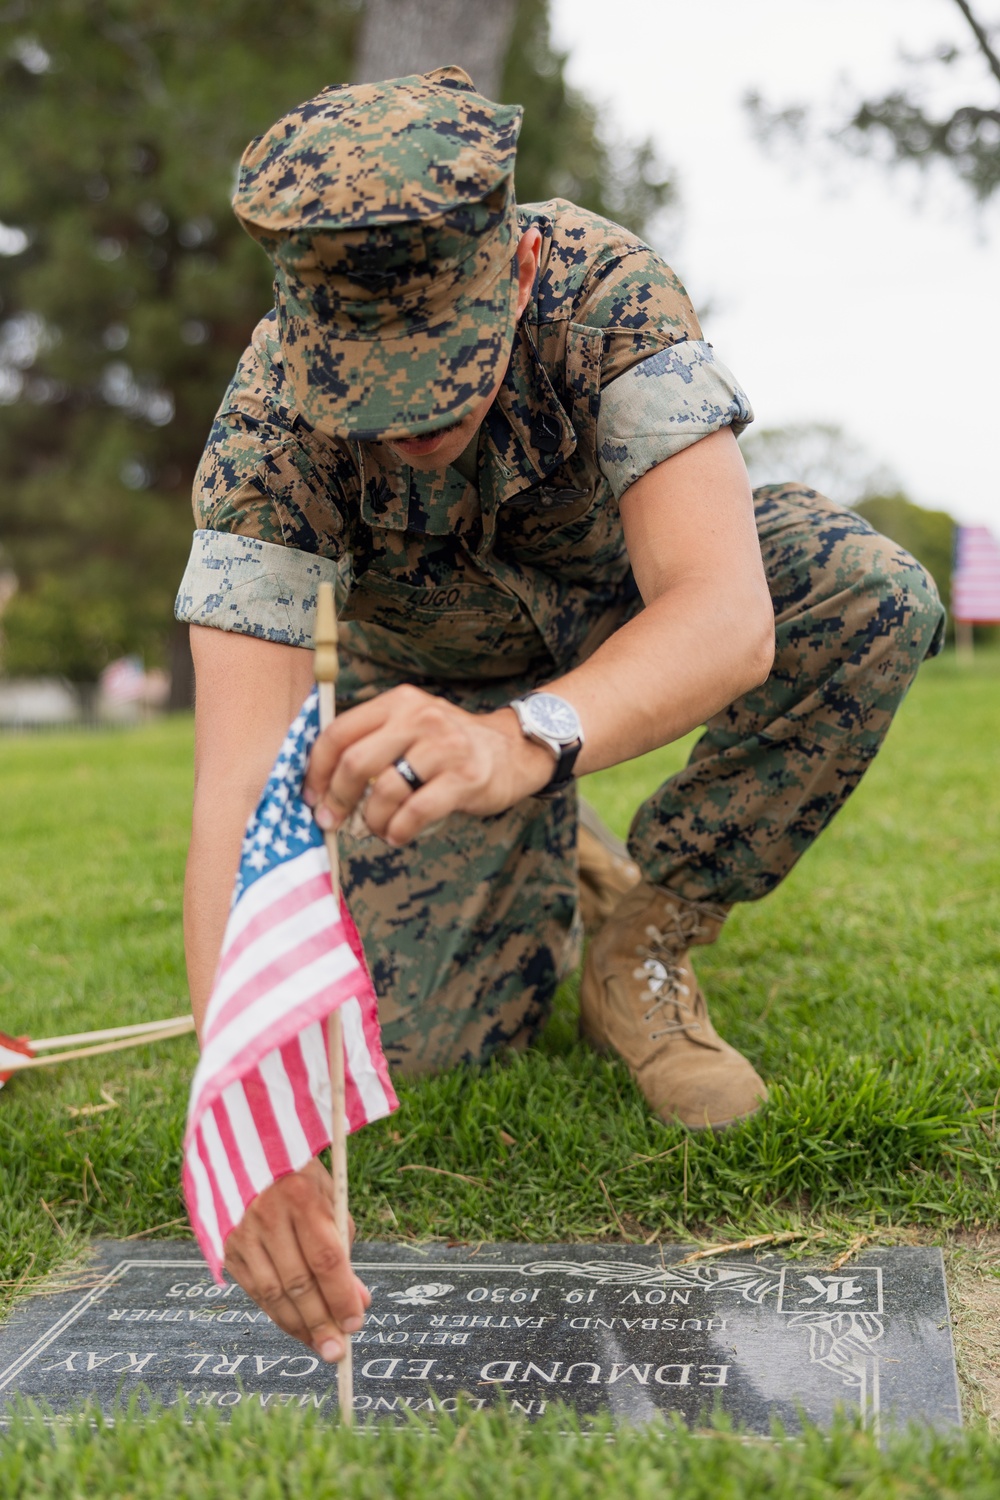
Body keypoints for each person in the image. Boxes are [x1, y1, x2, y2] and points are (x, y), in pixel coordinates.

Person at [176, 67, 944, 1364]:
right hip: (426, 705)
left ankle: (645, 936)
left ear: (516, 269)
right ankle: (557, 846)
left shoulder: (607, 293)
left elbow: (722, 616)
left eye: (438, 376)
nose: (407, 427)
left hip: (623, 617)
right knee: (427, 1052)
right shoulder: (268, 423)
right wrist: (243, 1110)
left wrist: (521, 744)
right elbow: (239, 785)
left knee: (870, 596)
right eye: (368, 391)